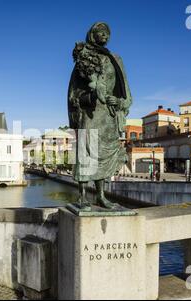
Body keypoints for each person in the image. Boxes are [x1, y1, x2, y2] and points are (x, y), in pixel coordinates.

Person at [68, 22, 132, 209]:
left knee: (105, 153)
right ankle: (82, 196)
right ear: (92, 35)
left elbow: (126, 93)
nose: (105, 35)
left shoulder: (116, 59)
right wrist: (92, 95)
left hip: (108, 115)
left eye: (107, 33)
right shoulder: (84, 59)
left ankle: (101, 196)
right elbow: (74, 95)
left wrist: (118, 101)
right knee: (87, 152)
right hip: (89, 113)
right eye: (100, 32)